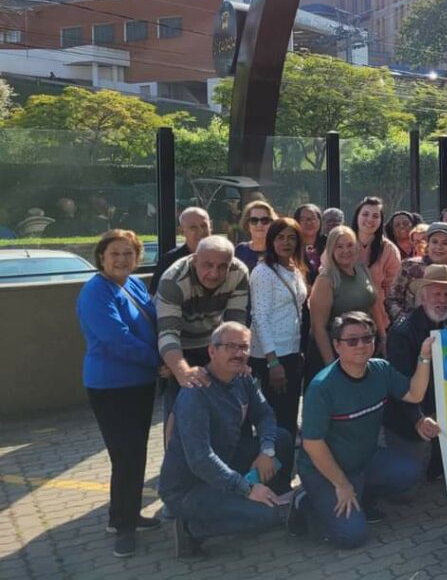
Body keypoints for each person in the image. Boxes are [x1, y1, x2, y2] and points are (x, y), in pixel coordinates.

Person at [290, 312, 435, 548]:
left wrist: (424, 357)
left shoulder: (381, 369)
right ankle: (306, 501)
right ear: (337, 345)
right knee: (351, 537)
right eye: (352, 340)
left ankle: (362, 497)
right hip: (325, 471)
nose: (362, 345)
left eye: (368, 338)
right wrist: (341, 484)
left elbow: (414, 394)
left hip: (365, 460)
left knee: (409, 472)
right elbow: (312, 444)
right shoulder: (322, 387)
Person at [159, 323, 293, 558]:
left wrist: (267, 452)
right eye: (231, 346)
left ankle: (273, 496)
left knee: (280, 438)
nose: (239, 353)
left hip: (225, 459)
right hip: (189, 487)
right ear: (212, 351)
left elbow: (265, 415)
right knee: (267, 517)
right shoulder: (196, 391)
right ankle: (190, 528)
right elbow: (200, 459)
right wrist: (247, 489)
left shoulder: (243, 378)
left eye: (244, 347)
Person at [77, 229, 163, 558]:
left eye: (129, 253)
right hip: (111, 386)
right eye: (115, 253)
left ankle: (127, 514)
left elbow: (153, 323)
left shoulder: (135, 284)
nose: (122, 259)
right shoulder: (95, 292)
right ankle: (122, 526)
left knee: (135, 453)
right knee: (125, 455)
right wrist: (159, 362)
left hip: (139, 384)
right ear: (101, 257)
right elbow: (117, 339)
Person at [156, 235, 250, 427]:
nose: (214, 274)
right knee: (180, 406)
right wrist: (182, 372)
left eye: (222, 266)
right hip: (181, 345)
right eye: (207, 265)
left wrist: (238, 359)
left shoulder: (239, 272)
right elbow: (167, 333)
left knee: (225, 406)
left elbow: (235, 323)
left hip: (214, 343)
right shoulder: (173, 279)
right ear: (195, 259)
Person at [384, 265, 447, 480]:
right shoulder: (402, 331)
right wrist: (418, 419)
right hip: (412, 413)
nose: (442, 300)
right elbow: (399, 385)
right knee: (407, 485)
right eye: (436, 294)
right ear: (422, 297)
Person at [249, 217, 307, 437]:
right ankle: (271, 462)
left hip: (291, 351)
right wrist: (273, 361)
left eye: (291, 237)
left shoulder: (294, 268)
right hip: (271, 356)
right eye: (280, 237)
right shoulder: (263, 272)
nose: (286, 242)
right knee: (275, 417)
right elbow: (259, 317)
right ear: (271, 240)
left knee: (290, 413)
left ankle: (286, 459)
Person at [309, 226, 377, 380]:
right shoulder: (325, 279)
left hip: (361, 346)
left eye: (349, 245)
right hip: (335, 352)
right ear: (331, 250)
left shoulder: (362, 269)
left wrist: (383, 337)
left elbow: (373, 302)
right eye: (339, 246)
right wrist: (331, 367)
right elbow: (318, 328)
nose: (345, 250)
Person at [386, 222, 447, 325]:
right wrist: (405, 322)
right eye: (434, 242)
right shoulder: (410, 266)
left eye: (445, 243)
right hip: (412, 330)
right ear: (428, 244)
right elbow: (393, 299)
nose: (439, 247)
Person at [351, 197, 402, 341]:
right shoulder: (343, 243)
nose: (370, 220)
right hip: (345, 317)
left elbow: (393, 288)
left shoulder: (388, 249)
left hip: (378, 321)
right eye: (365, 214)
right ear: (357, 216)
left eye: (375, 216)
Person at [149, 208, 212, 294]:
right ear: (181, 231)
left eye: (204, 226)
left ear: (211, 226)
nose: (200, 231)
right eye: (193, 228)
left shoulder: (223, 257)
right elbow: (155, 296)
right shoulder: (169, 261)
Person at [234, 200, 278, 272]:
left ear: (272, 223)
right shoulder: (240, 250)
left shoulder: (279, 251)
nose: (259, 225)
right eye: (254, 220)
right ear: (247, 224)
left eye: (265, 220)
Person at [294, 204, 324, 278]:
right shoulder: (292, 246)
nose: (309, 223)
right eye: (303, 219)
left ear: (319, 221)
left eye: (313, 218)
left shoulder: (328, 243)